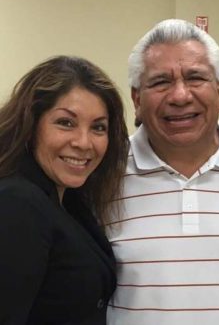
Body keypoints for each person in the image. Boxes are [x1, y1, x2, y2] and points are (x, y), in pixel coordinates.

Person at [106, 19, 219, 325]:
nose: (180, 96)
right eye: (160, 82)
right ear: (136, 99)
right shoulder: (103, 177)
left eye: (196, 78)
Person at [0, 55, 130, 324]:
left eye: (98, 127)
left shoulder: (70, 203)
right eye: (66, 123)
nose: (84, 143)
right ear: (31, 123)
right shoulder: (17, 203)